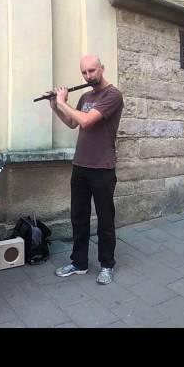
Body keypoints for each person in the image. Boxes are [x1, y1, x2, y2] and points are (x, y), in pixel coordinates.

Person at [49, 54, 124, 285]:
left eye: (92, 71)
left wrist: (63, 102)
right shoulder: (85, 96)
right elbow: (73, 122)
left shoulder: (113, 95)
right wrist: (55, 106)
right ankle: (79, 263)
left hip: (102, 167)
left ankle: (107, 265)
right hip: (80, 165)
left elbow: (87, 121)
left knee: (105, 220)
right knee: (78, 218)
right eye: (84, 72)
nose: (88, 76)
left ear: (102, 68)